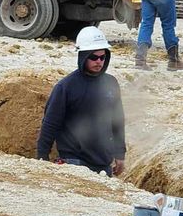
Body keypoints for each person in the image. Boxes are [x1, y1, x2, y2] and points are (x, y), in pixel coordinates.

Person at [36, 26, 126, 176]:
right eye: (94, 57)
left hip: (103, 163)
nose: (99, 61)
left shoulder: (111, 83)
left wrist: (120, 153)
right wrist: (41, 158)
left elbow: (117, 121)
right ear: (83, 56)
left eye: (102, 57)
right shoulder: (65, 87)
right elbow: (50, 124)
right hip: (73, 162)